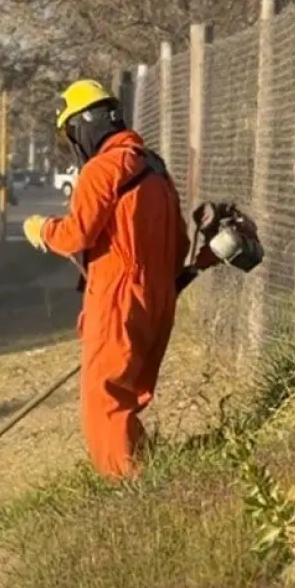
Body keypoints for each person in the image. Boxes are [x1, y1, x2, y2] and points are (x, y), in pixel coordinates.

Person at [21, 79, 191, 480]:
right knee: (128, 393)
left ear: (83, 126)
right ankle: (147, 472)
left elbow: (76, 234)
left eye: (70, 133)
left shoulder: (102, 169)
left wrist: (42, 230)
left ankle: (124, 489)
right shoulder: (155, 167)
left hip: (118, 297)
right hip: (158, 298)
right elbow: (180, 242)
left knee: (106, 399)